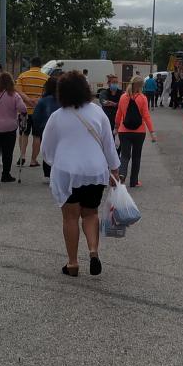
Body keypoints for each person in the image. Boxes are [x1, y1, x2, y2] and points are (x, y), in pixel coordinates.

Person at [40, 71, 121, 277]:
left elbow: (46, 150)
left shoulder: (57, 117)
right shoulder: (97, 112)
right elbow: (108, 144)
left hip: (67, 171)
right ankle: (93, 251)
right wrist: (115, 170)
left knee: (70, 218)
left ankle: (73, 263)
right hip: (95, 170)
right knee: (91, 213)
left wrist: (54, 161)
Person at [115, 75, 156, 187]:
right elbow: (146, 116)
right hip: (139, 132)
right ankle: (134, 181)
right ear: (141, 86)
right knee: (136, 156)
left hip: (124, 131)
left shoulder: (123, 97)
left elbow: (119, 114)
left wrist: (116, 127)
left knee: (124, 155)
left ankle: (122, 175)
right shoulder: (143, 98)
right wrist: (152, 132)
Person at [15, 57, 48, 165]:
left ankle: (22, 156)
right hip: (39, 113)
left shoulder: (22, 76)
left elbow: (18, 91)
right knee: (37, 136)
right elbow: (46, 94)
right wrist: (36, 100)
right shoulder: (46, 78)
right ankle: (33, 160)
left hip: (24, 111)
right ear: (40, 66)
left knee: (23, 134)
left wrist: (28, 100)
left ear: (31, 65)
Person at [30, 74, 61, 182]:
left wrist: (37, 127)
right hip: (60, 130)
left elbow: (36, 116)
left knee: (48, 151)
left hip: (45, 129)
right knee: (59, 151)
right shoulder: (63, 100)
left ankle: (47, 174)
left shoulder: (43, 101)